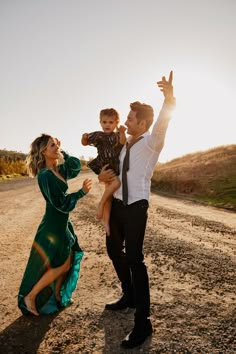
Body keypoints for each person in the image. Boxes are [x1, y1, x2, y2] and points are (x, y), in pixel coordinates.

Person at [98, 71, 176, 349]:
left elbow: (163, 124)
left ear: (142, 122)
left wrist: (169, 98)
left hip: (136, 207)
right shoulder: (124, 146)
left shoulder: (152, 142)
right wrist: (104, 177)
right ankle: (128, 295)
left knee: (135, 259)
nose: (126, 121)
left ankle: (143, 323)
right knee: (112, 249)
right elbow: (116, 173)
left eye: (130, 118)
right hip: (118, 204)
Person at [18, 134, 92, 316]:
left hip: (62, 223)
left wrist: (62, 150)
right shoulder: (45, 175)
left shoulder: (58, 170)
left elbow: (75, 166)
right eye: (52, 145)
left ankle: (57, 296)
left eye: (56, 144)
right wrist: (81, 193)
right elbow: (61, 203)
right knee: (61, 263)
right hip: (53, 225)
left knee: (65, 261)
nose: (56, 147)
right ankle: (31, 296)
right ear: (43, 151)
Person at [81, 108, 126, 235]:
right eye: (104, 122)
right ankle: (100, 204)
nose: (107, 125)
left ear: (116, 123)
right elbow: (85, 143)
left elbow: (123, 142)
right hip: (104, 165)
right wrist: (84, 137)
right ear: (100, 122)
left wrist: (122, 132)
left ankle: (106, 222)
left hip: (114, 164)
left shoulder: (117, 135)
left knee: (109, 196)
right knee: (116, 184)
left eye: (111, 122)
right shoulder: (98, 135)